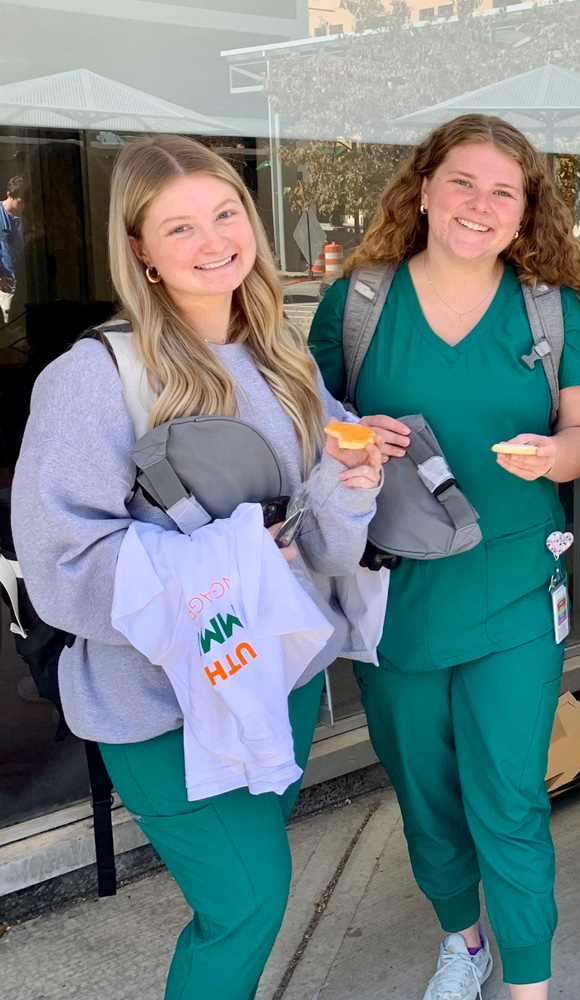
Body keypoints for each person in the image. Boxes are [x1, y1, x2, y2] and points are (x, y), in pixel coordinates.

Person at [11, 135, 382, 1000]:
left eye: (225, 214)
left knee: (244, 895)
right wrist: (241, 560)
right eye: (180, 227)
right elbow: (63, 564)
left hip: (276, 680)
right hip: (158, 703)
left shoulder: (284, 359)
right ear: (138, 248)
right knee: (248, 904)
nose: (214, 241)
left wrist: (351, 483)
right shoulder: (95, 376)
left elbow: (323, 547)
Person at [308, 114, 580, 1000]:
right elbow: (308, 426)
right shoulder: (358, 304)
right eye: (463, 183)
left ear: (525, 212)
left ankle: (530, 982)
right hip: (397, 591)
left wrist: (560, 456)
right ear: (425, 188)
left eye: (503, 191)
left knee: (509, 796)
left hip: (514, 583)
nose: (480, 205)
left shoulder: (548, 311)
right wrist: (352, 437)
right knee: (427, 793)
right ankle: (464, 939)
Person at [0, 174, 24, 323]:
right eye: (21, 200)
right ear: (10, 195)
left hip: (25, 286)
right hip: (6, 288)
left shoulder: (29, 217)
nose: (25, 205)